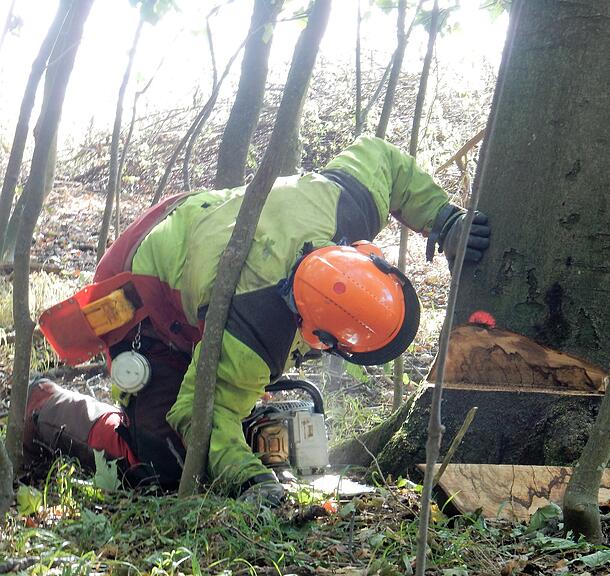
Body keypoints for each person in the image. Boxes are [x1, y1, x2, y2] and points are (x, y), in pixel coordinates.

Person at [24, 136, 491, 505]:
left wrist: (444, 219)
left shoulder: (342, 203)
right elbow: (196, 413)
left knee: (230, 390)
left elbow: (384, 160)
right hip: (143, 283)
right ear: (319, 335)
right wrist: (250, 478)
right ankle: (45, 405)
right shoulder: (257, 333)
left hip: (199, 224)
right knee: (162, 462)